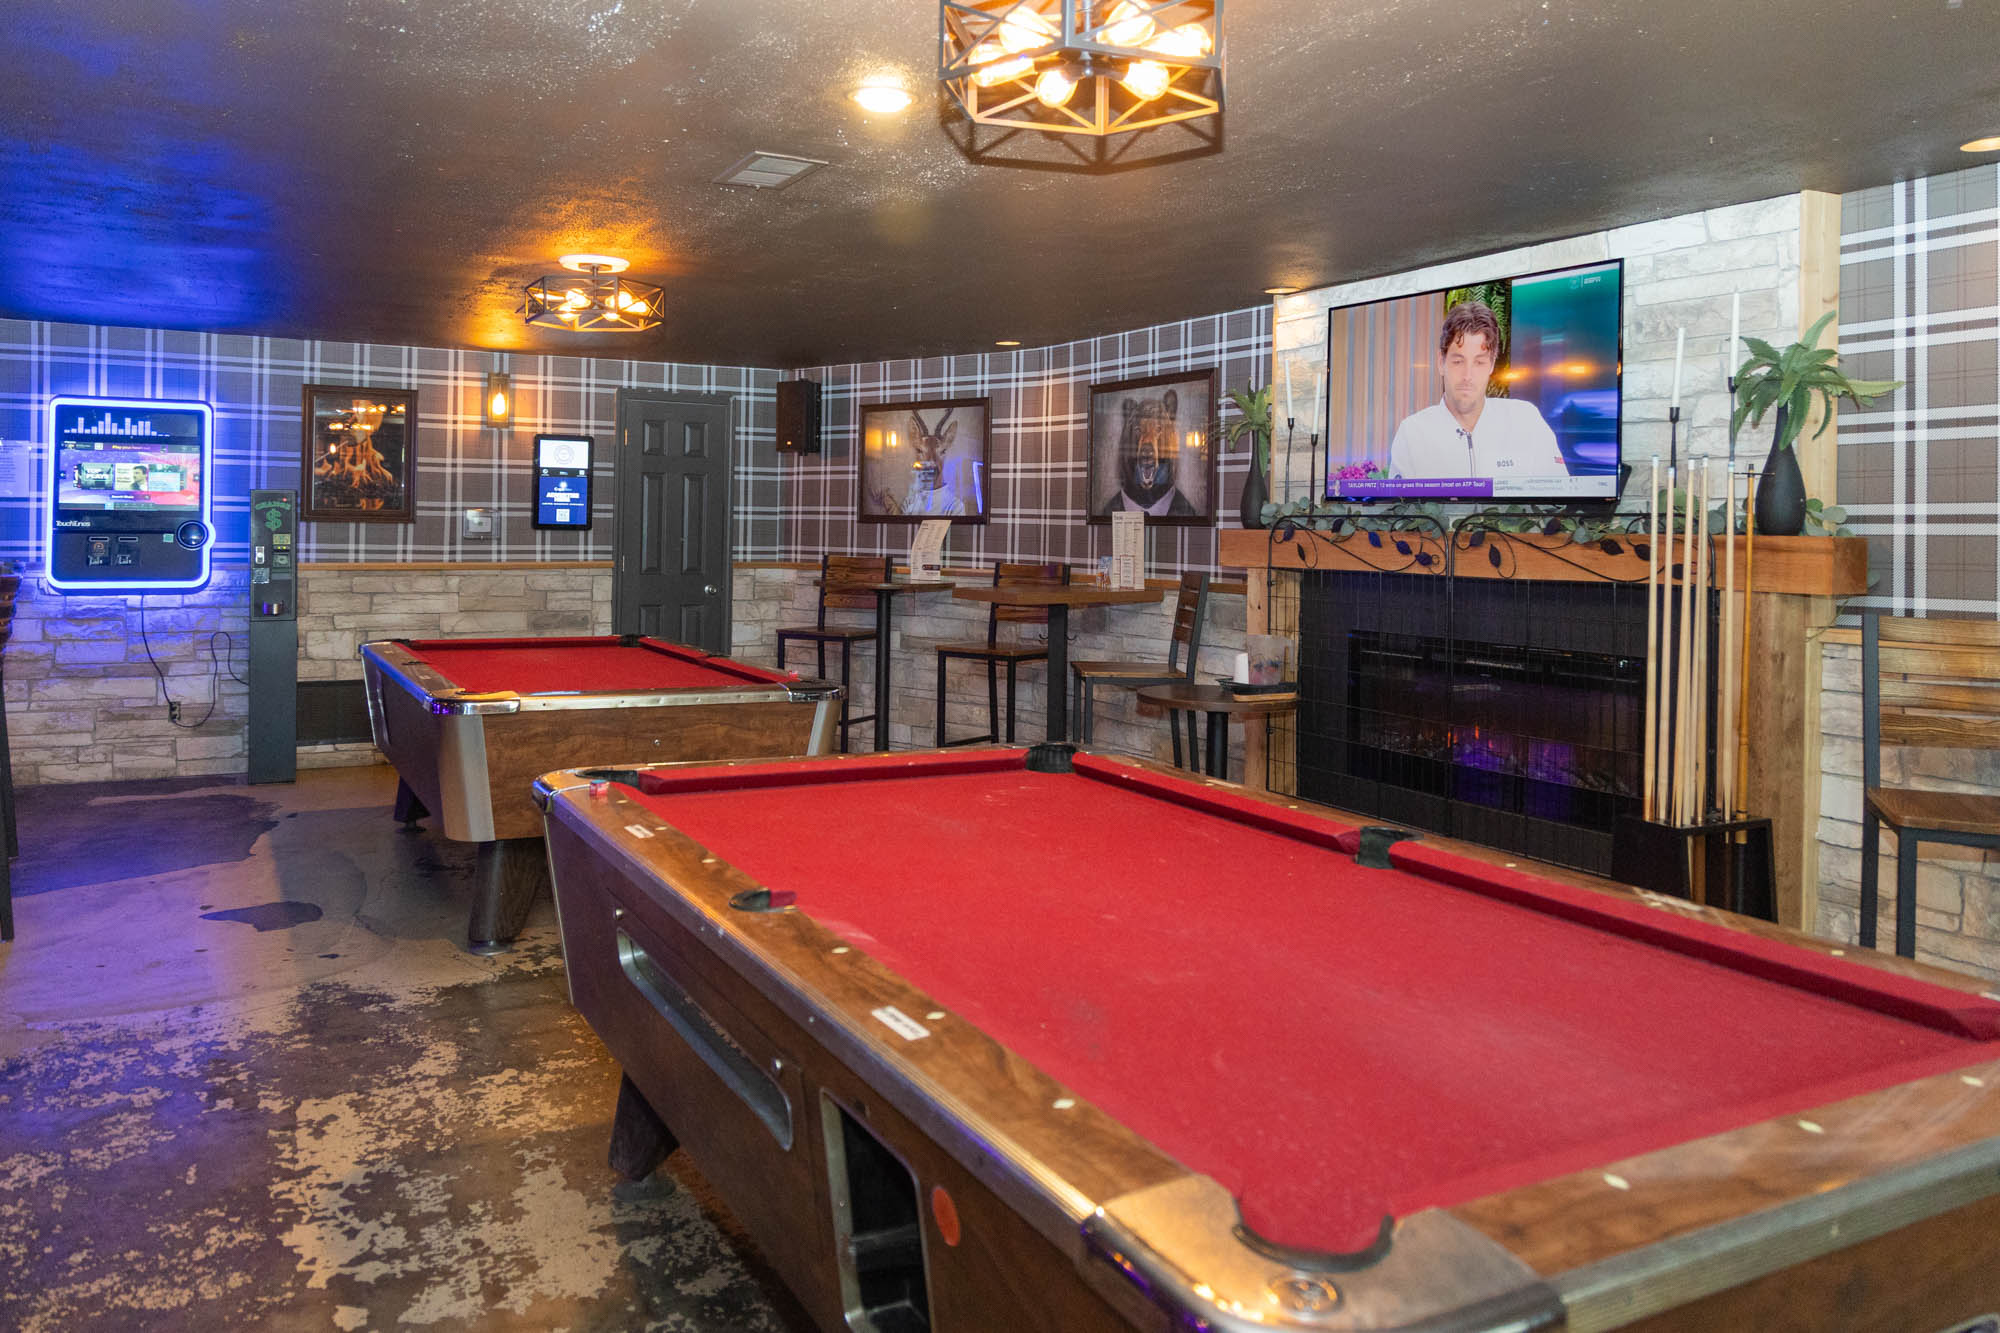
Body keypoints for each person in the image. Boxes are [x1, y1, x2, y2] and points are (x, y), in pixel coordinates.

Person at [1387, 300, 1566, 479]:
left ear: (1491, 365)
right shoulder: (1412, 434)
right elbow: (1398, 498)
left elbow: (1560, 493)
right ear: (1441, 363)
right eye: (1458, 361)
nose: (1468, 376)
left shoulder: (1525, 420)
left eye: (1479, 362)